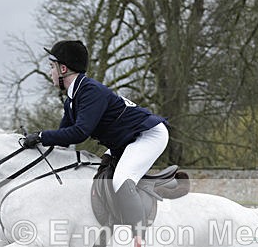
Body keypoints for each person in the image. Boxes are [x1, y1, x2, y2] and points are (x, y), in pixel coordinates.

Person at [22, 40, 169, 228]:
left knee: (121, 181)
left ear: (63, 69)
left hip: (148, 135)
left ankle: (140, 242)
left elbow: (79, 133)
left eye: (52, 67)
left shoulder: (90, 91)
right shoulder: (72, 99)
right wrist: (36, 147)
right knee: (100, 175)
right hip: (125, 141)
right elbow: (63, 140)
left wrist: (41, 136)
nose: (50, 72)